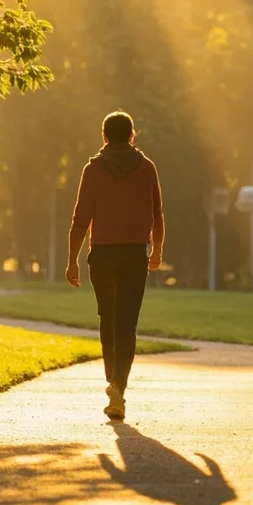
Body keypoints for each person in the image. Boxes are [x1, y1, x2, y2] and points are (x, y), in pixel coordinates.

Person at [66, 111, 165, 421]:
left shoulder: (93, 170)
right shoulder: (146, 168)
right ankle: (118, 387)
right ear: (132, 135)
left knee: (108, 318)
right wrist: (158, 248)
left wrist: (72, 261)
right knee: (126, 323)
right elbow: (157, 213)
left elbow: (81, 219)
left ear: (105, 136)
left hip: (103, 256)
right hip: (134, 254)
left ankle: (113, 381)